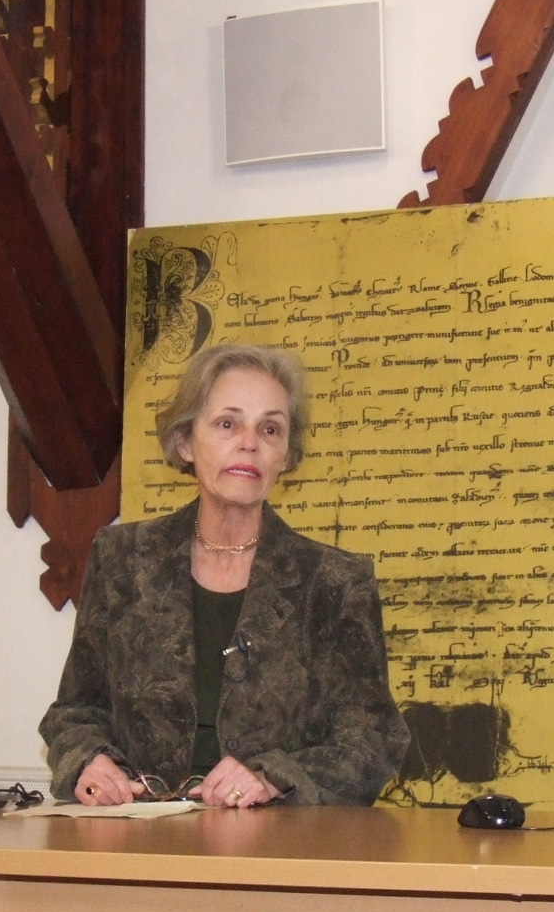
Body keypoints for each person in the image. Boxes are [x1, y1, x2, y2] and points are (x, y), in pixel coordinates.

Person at [40, 344, 409, 807]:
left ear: (286, 456)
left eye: (270, 429)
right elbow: (76, 711)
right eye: (228, 424)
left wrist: (272, 777)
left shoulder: (335, 583)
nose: (250, 443)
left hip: (276, 838)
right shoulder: (123, 560)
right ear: (185, 442)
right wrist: (89, 761)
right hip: (138, 832)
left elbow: (373, 742)